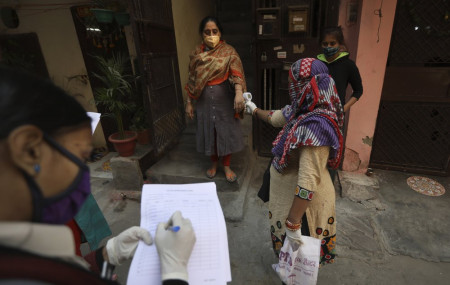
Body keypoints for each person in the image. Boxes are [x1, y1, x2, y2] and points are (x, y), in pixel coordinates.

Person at [0, 66, 196, 285]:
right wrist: (174, 272)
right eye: (78, 157)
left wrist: (105, 257)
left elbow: (64, 272)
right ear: (29, 150)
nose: (83, 175)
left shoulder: (25, 245)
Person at [246, 58, 344, 268]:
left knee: (297, 270)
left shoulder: (315, 126)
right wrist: (253, 109)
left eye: (292, 82)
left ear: (302, 85)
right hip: (292, 203)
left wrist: (293, 225)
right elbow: (275, 117)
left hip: (302, 213)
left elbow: (307, 182)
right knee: (291, 265)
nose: (290, 87)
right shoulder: (302, 109)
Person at [185, 16, 246, 183]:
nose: (211, 35)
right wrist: (189, 103)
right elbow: (192, 79)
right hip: (203, 103)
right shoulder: (197, 54)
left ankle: (226, 165)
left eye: (214, 31)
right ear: (201, 34)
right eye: (207, 32)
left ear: (220, 32)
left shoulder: (229, 52)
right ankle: (214, 164)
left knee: (225, 131)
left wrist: (239, 93)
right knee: (209, 132)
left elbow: (236, 73)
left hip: (225, 102)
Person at [318, 26, 363, 113]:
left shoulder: (348, 65)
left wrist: (344, 108)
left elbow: (358, 90)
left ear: (340, 44)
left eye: (332, 43)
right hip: (316, 113)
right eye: (325, 44)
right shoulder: (315, 64)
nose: (328, 47)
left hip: (337, 115)